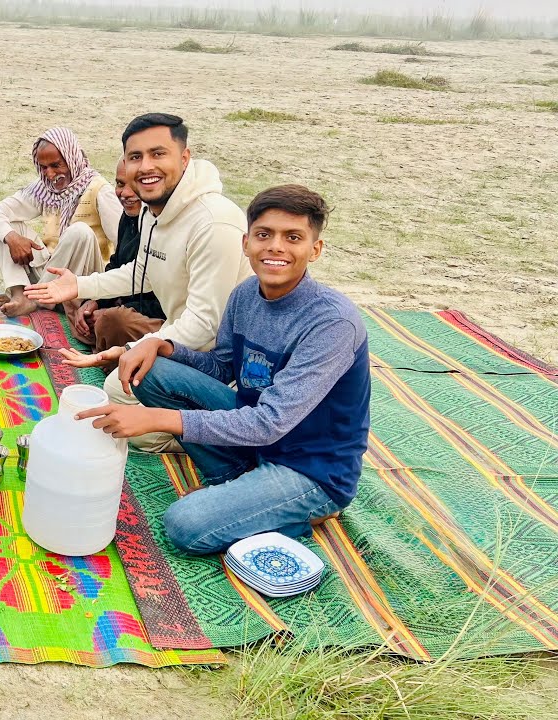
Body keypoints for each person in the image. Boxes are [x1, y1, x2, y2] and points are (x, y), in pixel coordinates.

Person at [73, 185, 369, 555]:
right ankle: (239, 480)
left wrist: (159, 419)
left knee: (186, 525)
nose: (276, 247)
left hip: (311, 467)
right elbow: (222, 366)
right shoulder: (246, 294)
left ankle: (294, 513)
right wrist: (162, 344)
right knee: (152, 369)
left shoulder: (332, 323)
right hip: (254, 440)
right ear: (246, 243)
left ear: (315, 249)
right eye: (264, 235)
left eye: (293, 237)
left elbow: (269, 422)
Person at [25, 113, 249, 451]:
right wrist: (81, 286)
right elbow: (139, 270)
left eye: (158, 154)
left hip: (223, 365)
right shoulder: (152, 211)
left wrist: (132, 349)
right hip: (179, 344)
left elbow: (204, 326)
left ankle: (225, 432)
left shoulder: (214, 223)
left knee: (126, 423)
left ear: (184, 158)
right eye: (135, 157)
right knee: (115, 392)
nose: (145, 166)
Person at [0, 127, 121, 318]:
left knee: (80, 232)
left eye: (56, 165)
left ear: (71, 158)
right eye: (44, 167)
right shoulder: (45, 188)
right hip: (50, 273)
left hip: (84, 283)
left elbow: (124, 245)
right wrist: (12, 238)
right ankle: (19, 295)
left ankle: (34, 300)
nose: (49, 174)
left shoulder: (100, 190)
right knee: (7, 228)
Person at [68, 156, 166, 351]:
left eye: (135, 185)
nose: (126, 194)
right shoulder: (129, 217)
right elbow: (117, 266)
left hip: (154, 317)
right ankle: (101, 336)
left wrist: (111, 309)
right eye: (120, 184)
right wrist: (93, 303)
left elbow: (163, 303)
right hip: (122, 301)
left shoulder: (163, 225)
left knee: (114, 320)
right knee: (73, 293)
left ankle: (108, 346)